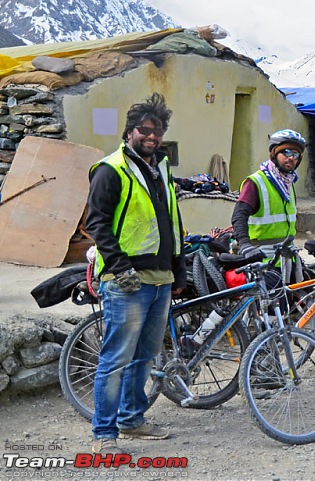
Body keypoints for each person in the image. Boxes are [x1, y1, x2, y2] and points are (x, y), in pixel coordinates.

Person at [85, 93, 186, 454]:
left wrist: (179, 268)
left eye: (158, 131)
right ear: (130, 132)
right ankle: (104, 434)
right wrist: (119, 267)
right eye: (145, 130)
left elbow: (172, 222)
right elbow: (97, 223)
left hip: (160, 280)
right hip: (126, 280)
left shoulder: (160, 169)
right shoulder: (111, 169)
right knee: (115, 359)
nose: (152, 136)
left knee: (144, 357)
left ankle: (131, 420)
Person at [231, 129, 306, 256]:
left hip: (287, 258)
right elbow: (239, 216)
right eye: (286, 152)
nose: (291, 158)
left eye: (296, 154)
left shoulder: (288, 184)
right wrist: (244, 245)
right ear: (274, 153)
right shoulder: (256, 182)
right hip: (262, 259)